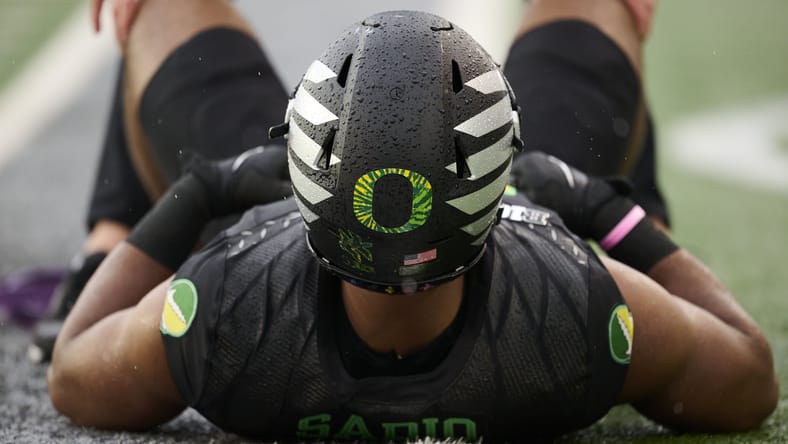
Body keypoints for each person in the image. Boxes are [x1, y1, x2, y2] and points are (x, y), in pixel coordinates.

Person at [46, 0, 778, 442]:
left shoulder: (226, 312)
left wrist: (203, 195)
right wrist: (606, 209)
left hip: (268, 252)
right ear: (496, 192)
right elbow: (748, 375)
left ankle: (105, 235)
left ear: (306, 177)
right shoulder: (577, 310)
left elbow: (75, 371)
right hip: (531, 256)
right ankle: (649, 205)